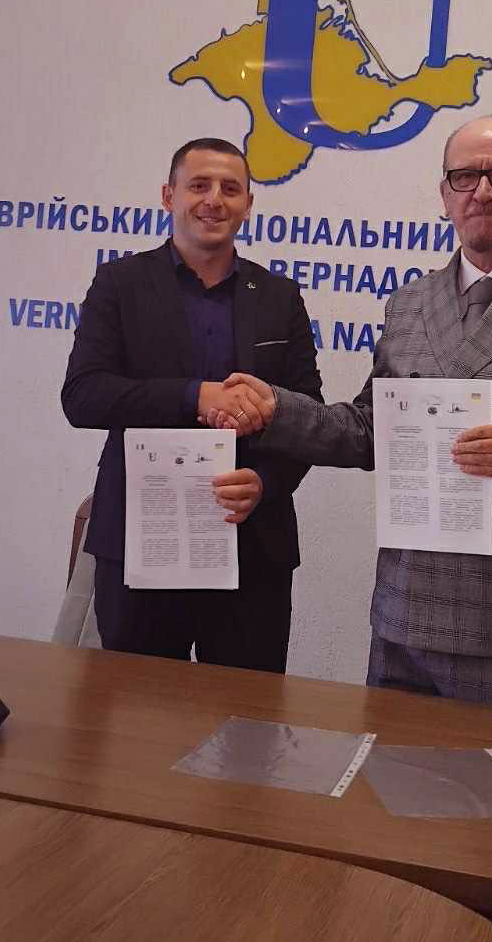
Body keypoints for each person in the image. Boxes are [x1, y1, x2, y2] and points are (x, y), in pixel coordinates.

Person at [207, 117, 492, 713]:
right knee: (388, 773)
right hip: (406, 617)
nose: (483, 191)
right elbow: (371, 430)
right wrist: (280, 409)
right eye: (465, 176)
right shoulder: (410, 302)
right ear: (445, 194)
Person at [62, 137, 322, 670]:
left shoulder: (280, 296)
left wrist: (266, 483)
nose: (214, 200)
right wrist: (195, 395)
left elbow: (309, 414)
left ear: (248, 204)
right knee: (137, 710)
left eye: (230, 189)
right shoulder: (119, 284)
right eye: (199, 185)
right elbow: (83, 396)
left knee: (246, 715)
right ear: (169, 196)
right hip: (142, 543)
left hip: (251, 544)